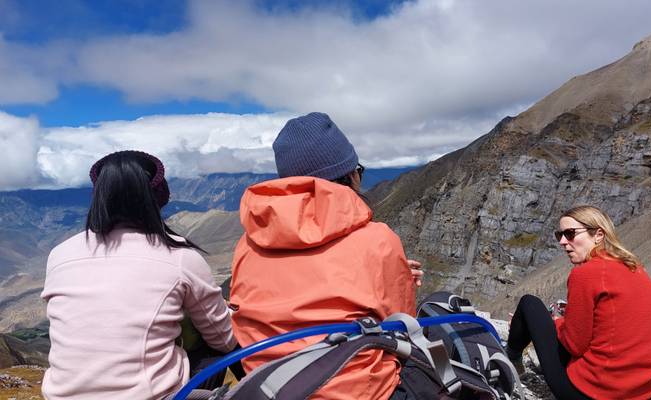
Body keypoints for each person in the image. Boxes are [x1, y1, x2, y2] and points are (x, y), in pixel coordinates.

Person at [230, 112, 420, 400]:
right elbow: (401, 325)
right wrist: (393, 277)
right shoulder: (379, 240)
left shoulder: (248, 242)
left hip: (268, 387)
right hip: (358, 391)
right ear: (351, 176)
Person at [41, 150, 237, 400]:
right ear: (158, 195)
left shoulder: (58, 255)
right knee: (213, 341)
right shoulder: (180, 257)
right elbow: (224, 340)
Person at [505, 205, 651, 400]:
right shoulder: (635, 268)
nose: (563, 242)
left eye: (570, 234)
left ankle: (511, 359)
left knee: (530, 304)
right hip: (643, 393)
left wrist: (554, 322)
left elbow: (575, 345)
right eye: (559, 235)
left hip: (595, 393)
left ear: (598, 235)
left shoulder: (586, 273)